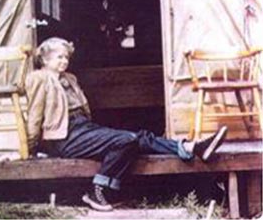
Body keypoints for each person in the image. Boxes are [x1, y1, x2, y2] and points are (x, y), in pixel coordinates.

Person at [25, 37, 228, 212]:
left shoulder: (70, 78)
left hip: (83, 128)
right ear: (44, 59)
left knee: (134, 137)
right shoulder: (38, 78)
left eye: (66, 57)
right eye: (59, 57)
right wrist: (29, 148)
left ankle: (188, 147)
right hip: (64, 136)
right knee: (126, 139)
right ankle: (98, 191)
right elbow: (35, 115)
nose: (64, 61)